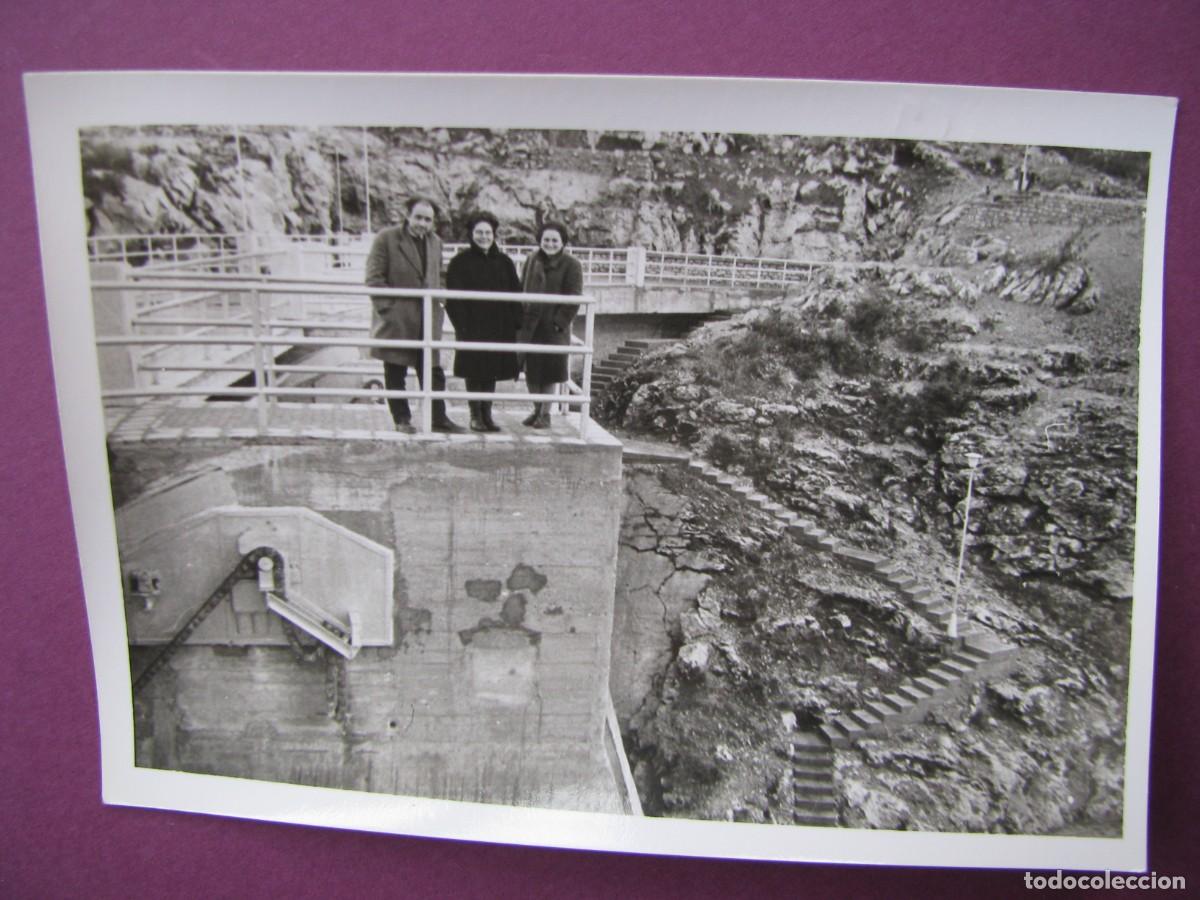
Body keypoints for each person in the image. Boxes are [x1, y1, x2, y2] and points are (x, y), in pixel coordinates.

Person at [364, 196, 464, 433]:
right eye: (418, 217)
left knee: (433, 371)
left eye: (428, 219)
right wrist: (389, 310)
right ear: (408, 216)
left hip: (427, 319)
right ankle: (402, 419)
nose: (422, 223)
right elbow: (374, 279)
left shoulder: (435, 242)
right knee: (395, 371)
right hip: (398, 320)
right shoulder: (386, 239)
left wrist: (441, 298)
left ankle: (438, 418)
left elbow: (439, 275)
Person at [444, 212, 523, 433]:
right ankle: (475, 415)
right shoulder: (460, 262)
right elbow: (454, 299)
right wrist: (462, 325)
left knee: (491, 372)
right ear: (471, 234)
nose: (484, 237)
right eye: (479, 232)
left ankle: (487, 414)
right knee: (474, 371)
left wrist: (516, 322)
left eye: (488, 232)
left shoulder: (505, 262)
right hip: (472, 327)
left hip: (498, 326)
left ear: (494, 235)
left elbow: (516, 292)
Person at [519, 222, 583, 429]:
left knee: (550, 371)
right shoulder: (531, 259)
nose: (550, 243)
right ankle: (537, 410)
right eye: (546, 239)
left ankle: (546, 413)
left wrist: (559, 323)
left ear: (563, 242)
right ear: (540, 240)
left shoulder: (572, 264)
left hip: (553, 327)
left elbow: (574, 298)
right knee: (531, 371)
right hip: (530, 324)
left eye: (555, 240)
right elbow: (521, 288)